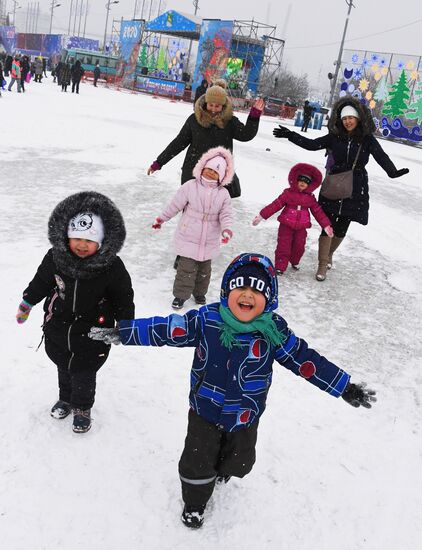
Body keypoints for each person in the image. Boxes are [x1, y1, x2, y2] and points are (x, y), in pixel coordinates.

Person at [89, 252, 376, 529]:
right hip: (205, 409)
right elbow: (167, 328)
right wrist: (124, 332)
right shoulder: (207, 320)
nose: (248, 295)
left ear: (269, 298)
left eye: (258, 290)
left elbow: (306, 360)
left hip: (245, 414)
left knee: (240, 461)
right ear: (228, 292)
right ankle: (195, 502)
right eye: (241, 287)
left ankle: (224, 469)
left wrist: (343, 386)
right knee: (196, 463)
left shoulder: (273, 332)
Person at [16, 191, 135, 433]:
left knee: (84, 371)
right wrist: (28, 302)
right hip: (59, 326)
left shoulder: (111, 266)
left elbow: (123, 296)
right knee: (63, 364)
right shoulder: (56, 258)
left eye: (89, 241)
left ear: (101, 242)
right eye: (77, 238)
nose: (82, 245)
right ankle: (66, 398)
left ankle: (82, 407)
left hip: (93, 331)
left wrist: (125, 326)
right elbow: (41, 280)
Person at [273, 96, 410, 281]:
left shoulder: (366, 139)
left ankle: (329, 254)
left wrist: (392, 172)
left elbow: (381, 156)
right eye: (344, 118)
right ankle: (322, 265)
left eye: (351, 118)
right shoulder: (335, 137)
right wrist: (290, 135)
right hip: (334, 184)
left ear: (358, 118)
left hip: (356, 186)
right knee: (327, 224)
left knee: (343, 226)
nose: (348, 121)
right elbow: (312, 145)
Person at [147, 83, 265, 199]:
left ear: (223, 106)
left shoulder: (229, 122)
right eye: (211, 105)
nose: (213, 109)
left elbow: (246, 135)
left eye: (217, 106)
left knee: (213, 212)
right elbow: (178, 143)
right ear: (205, 103)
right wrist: (159, 162)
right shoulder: (194, 120)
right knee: (191, 208)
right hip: (194, 172)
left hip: (217, 174)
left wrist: (254, 116)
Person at [152, 146, 234, 309]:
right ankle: (180, 296)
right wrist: (162, 219)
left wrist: (226, 229)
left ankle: (199, 293)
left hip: (209, 239)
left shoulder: (223, 194)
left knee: (204, 272)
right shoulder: (190, 186)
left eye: (215, 172)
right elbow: (175, 205)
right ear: (201, 168)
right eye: (208, 169)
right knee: (186, 269)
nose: (210, 173)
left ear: (222, 176)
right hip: (188, 235)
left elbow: (226, 214)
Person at [252, 163, 333, 275]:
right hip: (286, 225)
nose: (302, 183)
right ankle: (280, 266)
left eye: (306, 182)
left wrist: (326, 225)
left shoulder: (310, 199)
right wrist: (261, 215)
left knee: (299, 247)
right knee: (283, 246)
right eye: (301, 180)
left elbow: (318, 212)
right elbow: (275, 205)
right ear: (296, 180)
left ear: (310, 184)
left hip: (301, 228)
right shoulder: (288, 194)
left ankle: (295, 261)